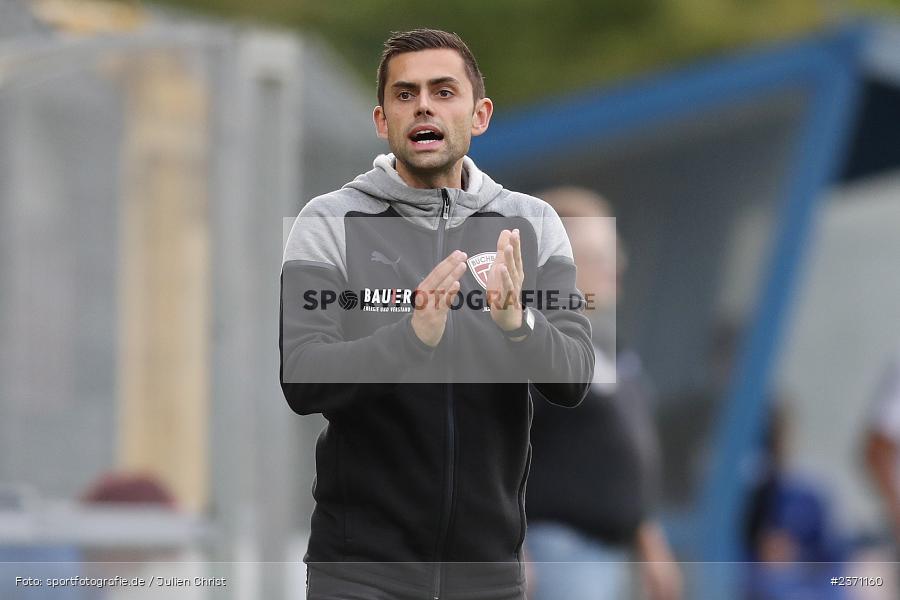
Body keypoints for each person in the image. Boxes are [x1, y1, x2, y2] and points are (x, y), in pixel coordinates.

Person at [279, 29, 594, 600]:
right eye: (405, 94)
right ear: (382, 120)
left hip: (488, 574)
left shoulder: (532, 223)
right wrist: (411, 338)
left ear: (480, 115)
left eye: (443, 91)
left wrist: (515, 324)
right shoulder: (329, 221)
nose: (423, 104)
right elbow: (302, 376)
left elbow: (573, 377)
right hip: (359, 573)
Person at [524, 187, 682, 600]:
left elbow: (626, 457)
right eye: (598, 257)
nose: (618, 266)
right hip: (556, 552)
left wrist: (650, 542)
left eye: (615, 253)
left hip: (607, 559)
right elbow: (489, 449)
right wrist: (511, 546)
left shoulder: (610, 351)